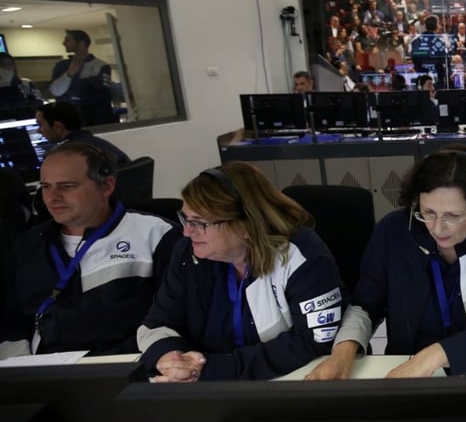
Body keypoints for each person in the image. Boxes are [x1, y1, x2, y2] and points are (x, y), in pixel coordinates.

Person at [305, 146, 466, 379]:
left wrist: (435, 355)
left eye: (453, 216)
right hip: (408, 370)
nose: (438, 228)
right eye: (428, 212)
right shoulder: (394, 229)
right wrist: (343, 351)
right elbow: (366, 304)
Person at [137, 162, 345, 381]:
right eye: (185, 218)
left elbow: (314, 339)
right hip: (204, 386)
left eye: (199, 223)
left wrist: (214, 370)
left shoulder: (301, 254)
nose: (187, 232)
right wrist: (171, 359)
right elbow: (158, 323)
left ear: (246, 225)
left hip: (286, 384)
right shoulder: (187, 255)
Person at [0, 143, 178, 359]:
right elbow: (11, 319)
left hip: (125, 365)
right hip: (43, 371)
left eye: (67, 186)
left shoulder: (156, 235)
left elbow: (174, 318)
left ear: (106, 186)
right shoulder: (29, 244)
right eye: (46, 186)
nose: (52, 197)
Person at [49, 29, 117, 126]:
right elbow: (56, 91)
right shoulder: (62, 66)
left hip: (95, 120)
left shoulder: (100, 65)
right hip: (68, 120)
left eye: (68, 40)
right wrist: (70, 74)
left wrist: (74, 87)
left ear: (81, 43)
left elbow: (101, 94)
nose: (63, 43)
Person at [36, 101, 131, 166]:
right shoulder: (100, 144)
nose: (38, 130)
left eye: (40, 125)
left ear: (57, 127)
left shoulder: (62, 156)